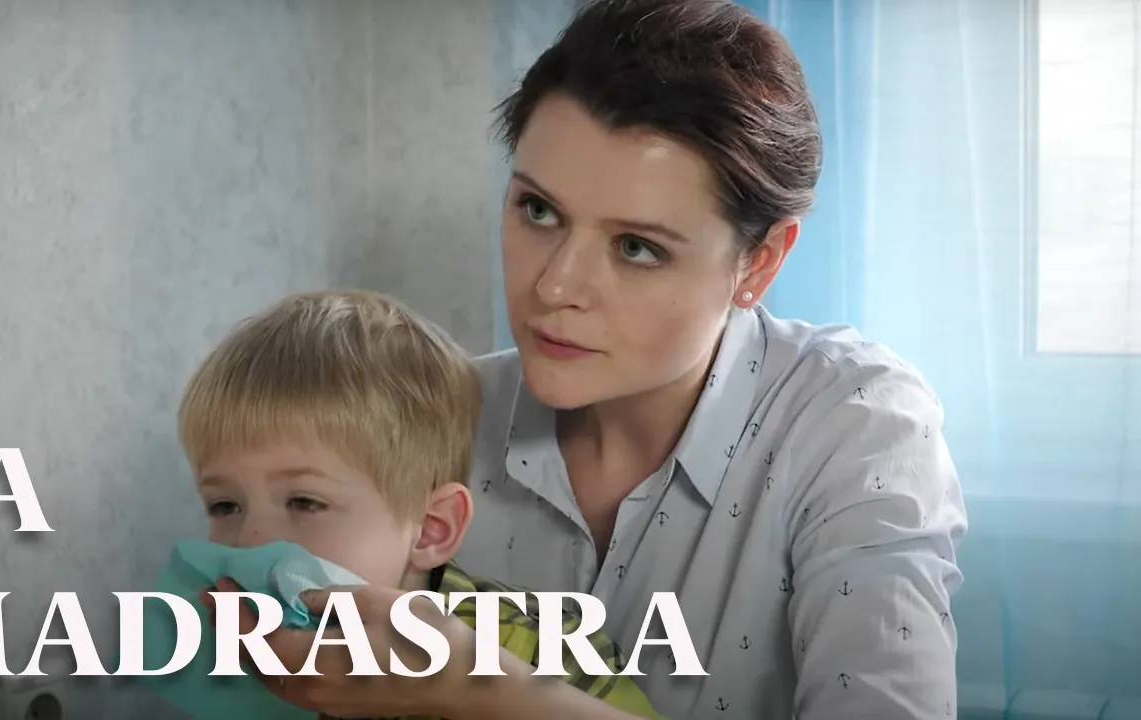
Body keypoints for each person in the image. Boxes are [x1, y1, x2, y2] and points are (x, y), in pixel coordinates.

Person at [208, 1, 968, 718]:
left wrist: (481, 687)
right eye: (538, 210)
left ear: (759, 263)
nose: (554, 287)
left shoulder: (856, 426)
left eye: (636, 247)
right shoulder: (428, 417)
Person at [182, 289, 665, 719]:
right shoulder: (238, 657)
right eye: (225, 506)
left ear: (432, 528)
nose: (251, 541)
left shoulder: (540, 649)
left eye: (304, 502)